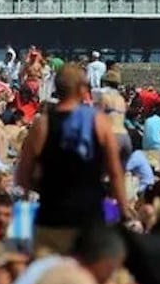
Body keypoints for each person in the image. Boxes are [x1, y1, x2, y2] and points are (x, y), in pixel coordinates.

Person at [16, 64, 129, 255]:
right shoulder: (99, 121)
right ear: (82, 89)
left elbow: (22, 177)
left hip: (52, 218)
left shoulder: (41, 125)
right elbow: (115, 172)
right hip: (90, 218)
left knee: (51, 280)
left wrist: (47, 188)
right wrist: (124, 210)